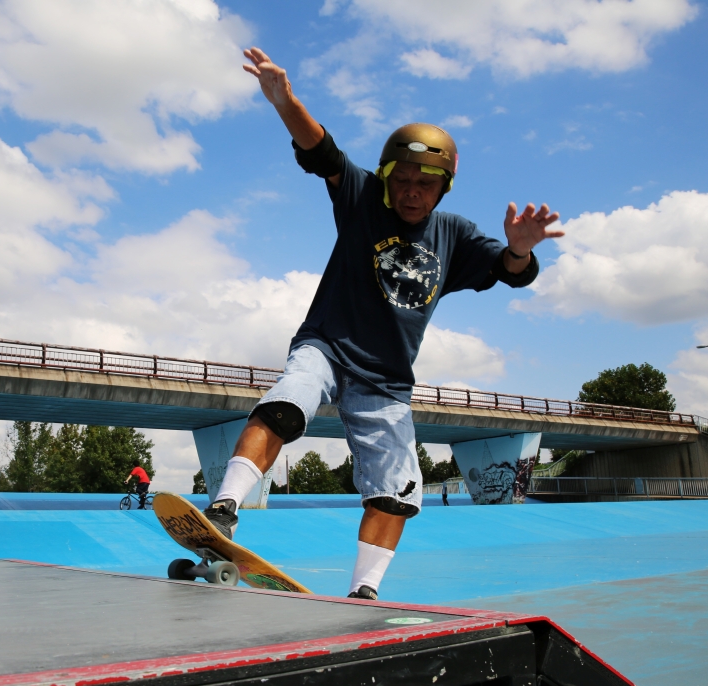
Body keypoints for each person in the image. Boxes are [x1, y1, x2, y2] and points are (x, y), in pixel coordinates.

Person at [201, 47, 563, 600]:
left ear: (443, 188)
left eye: (428, 183)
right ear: (389, 176)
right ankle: (223, 508)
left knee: (395, 491)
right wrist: (284, 101)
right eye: (405, 179)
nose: (414, 191)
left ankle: (364, 593)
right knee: (285, 405)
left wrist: (519, 249)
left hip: (387, 379)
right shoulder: (363, 196)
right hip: (326, 344)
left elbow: (510, 273)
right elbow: (321, 150)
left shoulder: (456, 234)